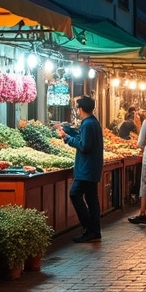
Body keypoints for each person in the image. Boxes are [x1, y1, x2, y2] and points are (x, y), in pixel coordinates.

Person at [57, 96, 104, 243]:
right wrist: (69, 131)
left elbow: (84, 146)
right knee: (91, 199)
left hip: (86, 169)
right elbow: (83, 139)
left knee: (75, 194)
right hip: (91, 168)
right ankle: (94, 231)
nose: (77, 110)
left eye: (77, 108)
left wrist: (67, 139)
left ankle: (89, 228)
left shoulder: (88, 124)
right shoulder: (92, 122)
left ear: (81, 109)